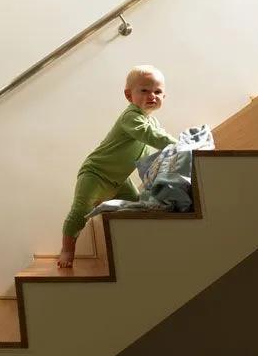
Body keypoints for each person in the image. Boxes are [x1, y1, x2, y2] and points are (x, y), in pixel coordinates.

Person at [57, 65, 178, 268]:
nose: (152, 95)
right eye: (144, 90)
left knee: (137, 206)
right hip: (95, 173)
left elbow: (157, 138)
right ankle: (67, 249)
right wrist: (180, 145)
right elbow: (151, 137)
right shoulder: (130, 117)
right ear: (129, 95)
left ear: (164, 98)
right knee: (80, 211)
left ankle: (135, 246)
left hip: (119, 179)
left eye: (158, 92)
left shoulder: (152, 121)